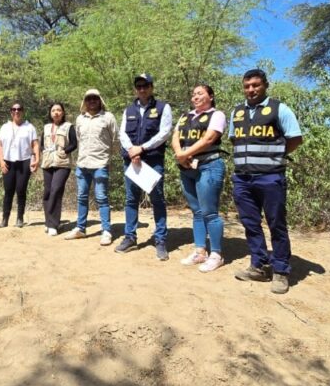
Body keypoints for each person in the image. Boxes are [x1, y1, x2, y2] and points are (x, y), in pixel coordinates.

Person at [230, 69, 304, 294]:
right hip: (242, 178)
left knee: (276, 224)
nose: (251, 90)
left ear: (265, 85)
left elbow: (295, 138)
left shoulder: (279, 108)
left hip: (270, 177)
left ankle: (281, 271)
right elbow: (234, 140)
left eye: (255, 85)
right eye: (247, 86)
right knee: (251, 224)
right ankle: (259, 265)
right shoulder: (237, 112)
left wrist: (275, 158)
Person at [116, 73, 173, 260]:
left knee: (157, 199)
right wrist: (132, 150)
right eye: (139, 86)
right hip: (132, 160)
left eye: (145, 86)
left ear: (151, 87)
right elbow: (122, 133)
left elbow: (164, 133)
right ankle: (130, 237)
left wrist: (142, 148)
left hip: (152, 160)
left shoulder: (163, 107)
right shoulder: (128, 110)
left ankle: (161, 240)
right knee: (131, 199)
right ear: (135, 89)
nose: (142, 89)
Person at [172, 84, 227, 273]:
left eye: (200, 93)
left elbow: (209, 139)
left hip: (209, 166)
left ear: (210, 96)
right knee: (196, 211)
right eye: (193, 94)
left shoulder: (217, 115)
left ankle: (217, 254)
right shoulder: (185, 116)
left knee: (210, 212)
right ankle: (200, 251)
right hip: (187, 167)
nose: (195, 97)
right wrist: (180, 154)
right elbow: (175, 136)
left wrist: (184, 153)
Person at [64, 89, 118, 246]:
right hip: (82, 164)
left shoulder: (108, 117)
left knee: (101, 197)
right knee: (81, 197)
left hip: (100, 164)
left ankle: (106, 231)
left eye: (95, 98)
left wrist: (108, 159)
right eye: (89, 99)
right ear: (85, 102)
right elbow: (79, 140)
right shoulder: (80, 119)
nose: (92, 101)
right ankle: (80, 228)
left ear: (100, 100)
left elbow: (115, 140)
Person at [0, 102, 39, 228]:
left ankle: (20, 218)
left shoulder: (29, 127)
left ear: (23, 111)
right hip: (8, 161)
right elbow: (0, 145)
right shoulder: (5, 127)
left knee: (21, 190)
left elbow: (35, 144)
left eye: (19, 109)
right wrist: (1, 161)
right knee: (8, 191)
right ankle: (5, 219)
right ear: (11, 112)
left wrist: (37, 159)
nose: (16, 111)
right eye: (14, 109)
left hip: (24, 161)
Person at [39, 102, 76, 236]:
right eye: (53, 110)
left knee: (56, 189)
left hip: (62, 163)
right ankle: (49, 221)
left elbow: (74, 143)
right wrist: (44, 151)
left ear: (63, 112)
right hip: (48, 162)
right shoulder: (47, 127)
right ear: (50, 113)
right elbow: (42, 143)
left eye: (59, 110)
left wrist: (65, 151)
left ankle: (53, 224)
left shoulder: (68, 127)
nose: (56, 112)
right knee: (48, 192)